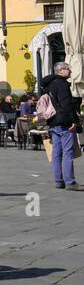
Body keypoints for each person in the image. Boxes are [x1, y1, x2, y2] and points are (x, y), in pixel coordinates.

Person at [39, 62, 81, 190]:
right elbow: (66, 104)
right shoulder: (62, 84)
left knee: (56, 152)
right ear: (61, 70)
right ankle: (70, 182)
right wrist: (73, 121)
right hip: (63, 122)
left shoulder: (50, 84)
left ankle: (59, 180)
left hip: (52, 121)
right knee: (68, 152)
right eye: (68, 69)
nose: (70, 71)